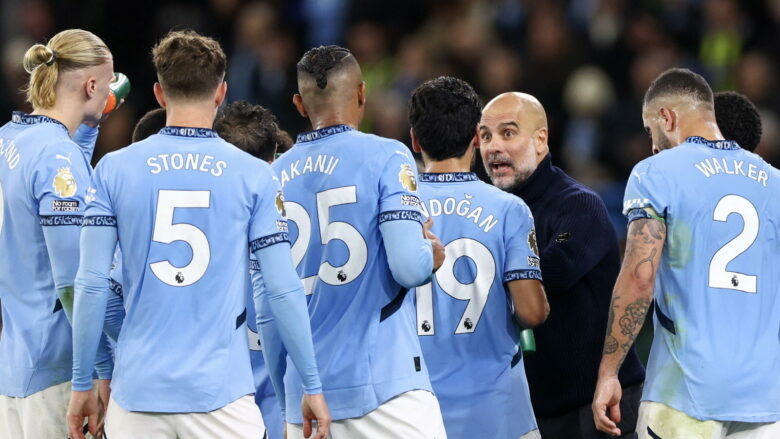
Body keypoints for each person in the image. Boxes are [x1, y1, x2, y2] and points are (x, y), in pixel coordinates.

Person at [66, 30, 330, 439]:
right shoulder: (253, 175)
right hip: (221, 399)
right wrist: (311, 385)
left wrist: (83, 381)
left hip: (138, 398)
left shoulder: (113, 170)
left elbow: (91, 283)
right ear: (221, 92)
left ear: (159, 94)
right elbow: (281, 289)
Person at [593, 68, 780, 438]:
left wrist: (609, 371)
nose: (653, 145)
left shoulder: (656, 172)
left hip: (684, 393)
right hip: (765, 396)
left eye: (650, 130)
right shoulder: (774, 182)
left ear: (666, 117)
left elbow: (640, 277)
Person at [271, 45, 446, 438]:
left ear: (299, 104)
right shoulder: (387, 155)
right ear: (363, 93)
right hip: (385, 389)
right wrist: (430, 253)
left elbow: (268, 307)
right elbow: (409, 267)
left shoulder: (271, 177)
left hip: (305, 401)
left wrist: (288, 403)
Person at [479, 92, 645, 438]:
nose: (493, 147)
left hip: (598, 407)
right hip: (533, 412)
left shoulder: (579, 205)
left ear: (541, 140)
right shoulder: (488, 213)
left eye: (508, 133)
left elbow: (553, 272)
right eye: (485, 136)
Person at [408, 76, 549, 439]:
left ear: (415, 140)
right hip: (499, 411)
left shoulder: (394, 208)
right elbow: (532, 312)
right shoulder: (509, 209)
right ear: (476, 136)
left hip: (416, 412)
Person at [0, 29, 116, 439]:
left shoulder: (9, 138)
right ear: (91, 86)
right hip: (56, 372)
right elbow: (73, 284)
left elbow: (55, 185)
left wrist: (87, 127)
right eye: (108, 84)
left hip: (14, 362)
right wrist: (99, 368)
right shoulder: (56, 155)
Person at [214, 100, 287, 439]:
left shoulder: (190, 220)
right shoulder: (298, 223)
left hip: (211, 404)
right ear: (272, 163)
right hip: (281, 403)